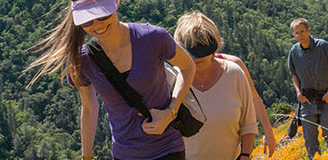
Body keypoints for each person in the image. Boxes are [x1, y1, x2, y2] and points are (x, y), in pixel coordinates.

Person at [25, 0, 197, 159]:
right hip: (124, 154)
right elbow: (89, 108)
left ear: (116, 3)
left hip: (167, 148)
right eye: (87, 21)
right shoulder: (83, 60)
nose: (97, 25)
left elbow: (188, 67)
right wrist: (87, 157)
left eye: (102, 15)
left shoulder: (153, 38)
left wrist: (170, 112)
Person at [172, 11, 276, 159]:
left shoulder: (234, 72)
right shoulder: (171, 79)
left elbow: (249, 122)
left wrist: (246, 154)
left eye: (202, 50)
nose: (197, 58)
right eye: (191, 51)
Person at [284, 18, 328, 157]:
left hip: (326, 98)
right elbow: (294, 74)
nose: (300, 36)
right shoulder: (294, 51)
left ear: (308, 30)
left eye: (302, 32)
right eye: (296, 33)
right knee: (310, 141)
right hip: (307, 101)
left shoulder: (323, 46)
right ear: (293, 34)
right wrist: (298, 93)